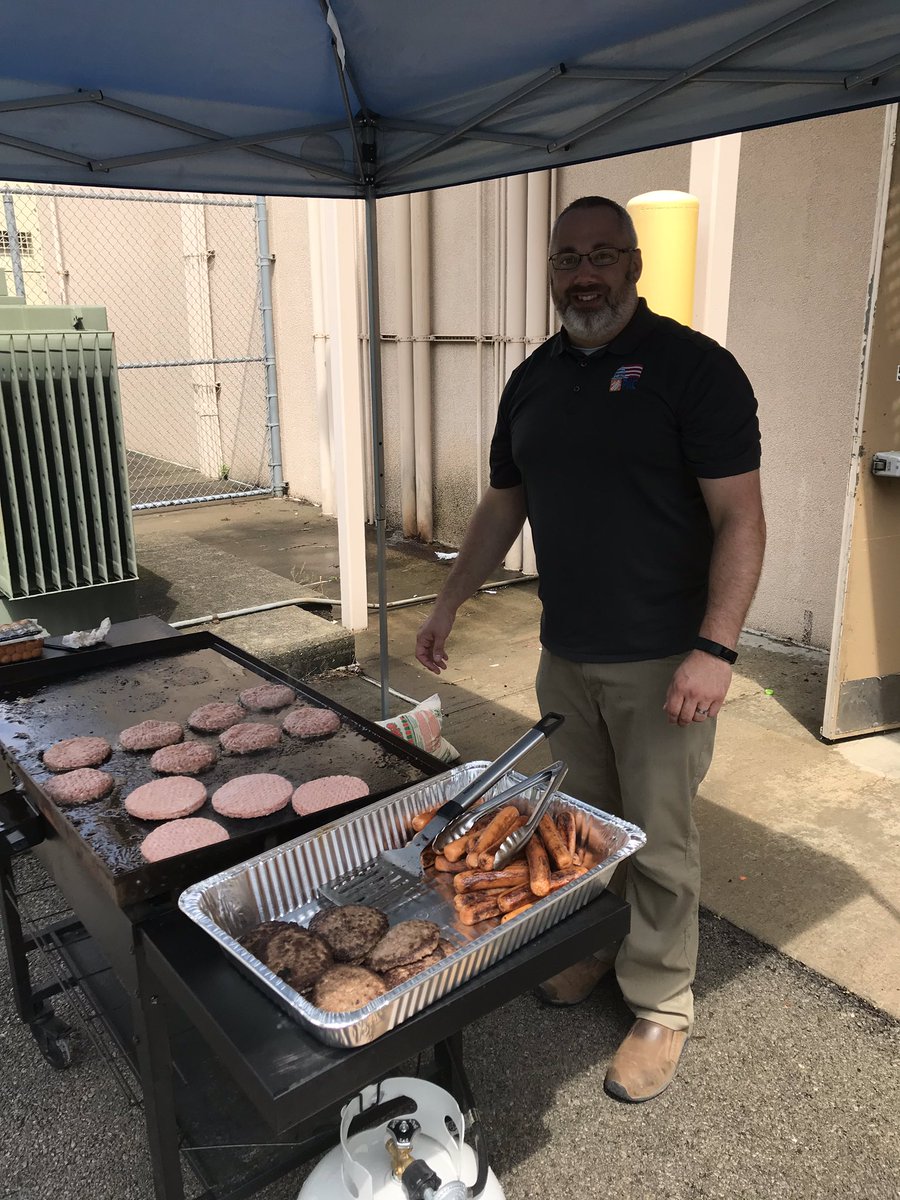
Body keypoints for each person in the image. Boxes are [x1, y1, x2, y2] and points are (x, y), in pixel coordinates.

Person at [415, 195, 766, 1103]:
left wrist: (716, 650)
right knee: (576, 827)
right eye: (569, 255)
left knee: (659, 836)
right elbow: (503, 504)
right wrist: (449, 601)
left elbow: (741, 518)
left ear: (634, 264)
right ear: (551, 270)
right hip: (565, 649)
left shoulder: (697, 371)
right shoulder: (531, 380)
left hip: (664, 660)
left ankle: (662, 1001)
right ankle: (595, 944)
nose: (586, 271)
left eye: (604, 253)